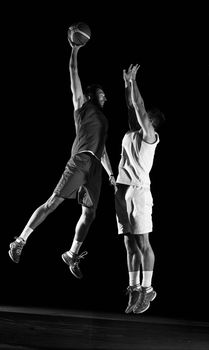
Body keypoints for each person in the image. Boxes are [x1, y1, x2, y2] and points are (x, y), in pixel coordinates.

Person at [8, 37, 116, 279]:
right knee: (53, 203)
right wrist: (75, 50)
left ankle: (72, 253)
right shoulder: (82, 105)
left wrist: (110, 172)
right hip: (80, 160)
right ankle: (20, 240)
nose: (106, 97)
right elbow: (73, 71)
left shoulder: (103, 120)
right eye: (102, 94)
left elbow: (104, 148)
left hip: (96, 167)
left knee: (90, 214)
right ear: (91, 96)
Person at [115, 64, 165, 314]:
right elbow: (130, 107)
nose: (138, 116)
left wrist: (135, 82)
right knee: (128, 244)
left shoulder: (149, 136)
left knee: (143, 243)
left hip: (140, 192)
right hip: (122, 193)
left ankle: (148, 289)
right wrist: (126, 85)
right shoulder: (130, 133)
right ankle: (134, 288)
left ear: (151, 122)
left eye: (144, 116)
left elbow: (139, 107)